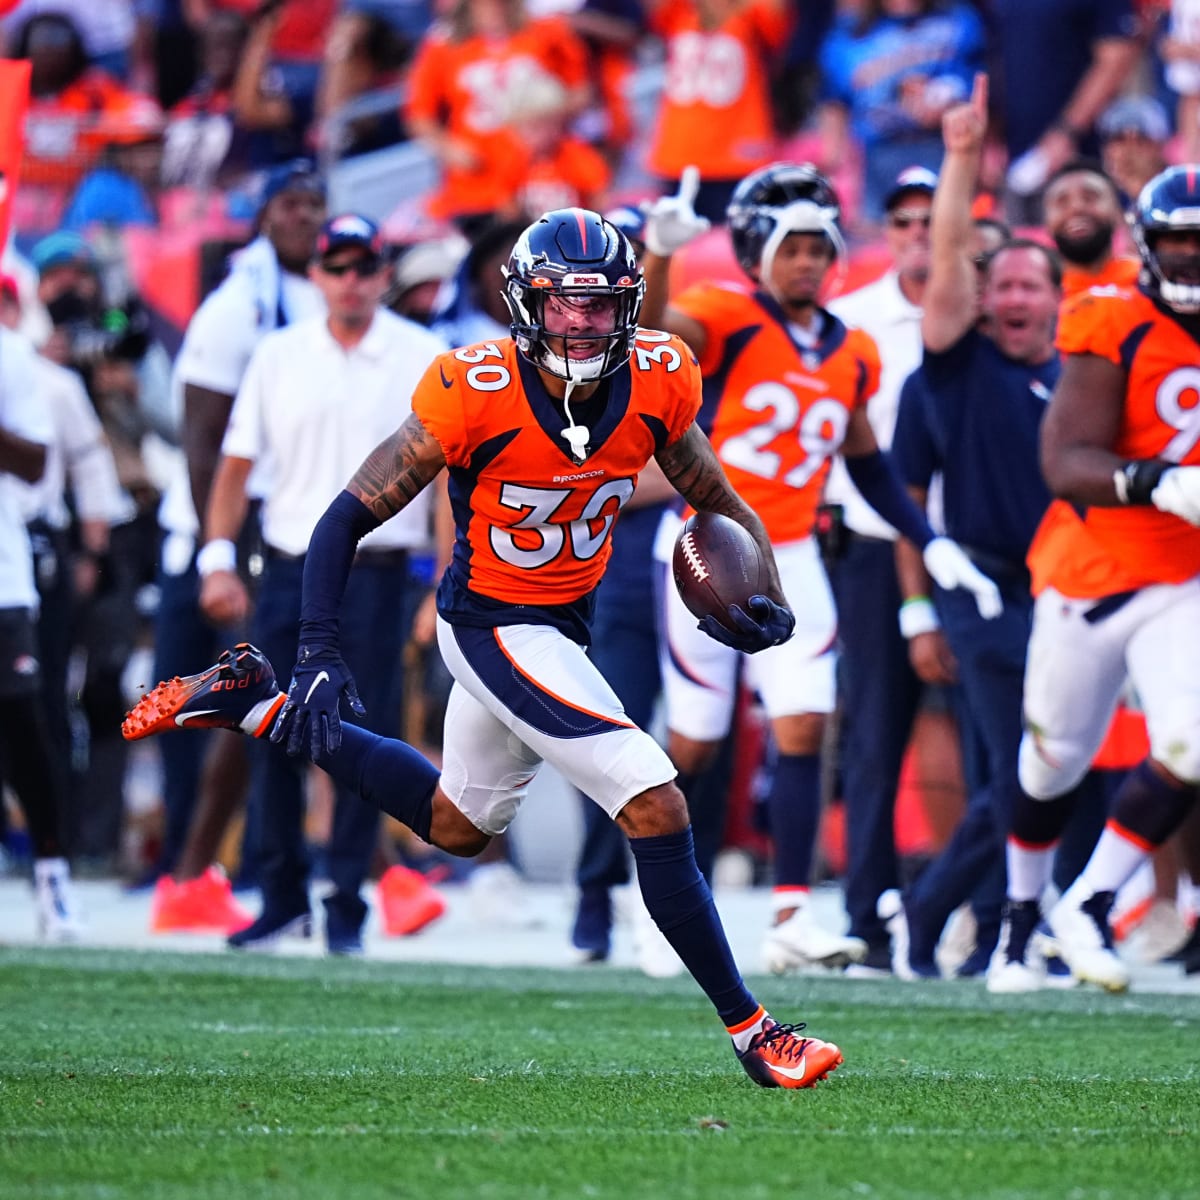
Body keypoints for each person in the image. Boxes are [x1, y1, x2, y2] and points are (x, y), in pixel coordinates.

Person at [125, 206, 846, 1089]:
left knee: (455, 827)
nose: (581, 323)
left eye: (600, 304)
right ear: (524, 302)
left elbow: (721, 501)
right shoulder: (475, 387)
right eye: (562, 303)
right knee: (655, 800)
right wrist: (319, 646)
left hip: (559, 621)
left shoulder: (659, 376)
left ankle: (252, 705)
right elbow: (344, 517)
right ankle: (755, 1033)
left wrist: (761, 588)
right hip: (494, 623)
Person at [638, 161, 1001, 975]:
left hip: (792, 550)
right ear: (758, 249)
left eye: (817, 248)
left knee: (804, 726)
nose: (806, 262)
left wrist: (927, 536)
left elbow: (868, 464)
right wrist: (657, 256)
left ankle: (793, 914)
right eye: (791, 247)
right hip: (708, 541)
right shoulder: (724, 316)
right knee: (694, 742)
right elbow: (651, 348)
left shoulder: (853, 346)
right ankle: (652, 904)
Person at [886, 74, 1102, 985]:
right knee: (1032, 761)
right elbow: (945, 266)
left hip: (1072, 588)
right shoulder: (959, 365)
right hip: (980, 585)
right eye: (997, 280)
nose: (1010, 293)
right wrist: (964, 157)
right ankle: (947, 916)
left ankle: (996, 919)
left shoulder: (1085, 375)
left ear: (1056, 296)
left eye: (1028, 280)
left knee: (1057, 764)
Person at [195, 212, 446, 955]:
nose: (350, 281)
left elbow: (445, 484)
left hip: (378, 568)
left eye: (364, 266)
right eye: (336, 267)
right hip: (289, 563)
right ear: (318, 275)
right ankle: (281, 893)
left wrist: (442, 583)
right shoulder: (279, 354)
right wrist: (215, 553)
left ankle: (345, 895)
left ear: (381, 274)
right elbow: (238, 463)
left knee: (362, 734)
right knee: (268, 725)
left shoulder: (423, 353)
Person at [999, 164, 1200, 992]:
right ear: (1146, 249)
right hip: (1094, 572)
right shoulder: (1112, 317)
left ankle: (1086, 901)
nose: (1188, 259)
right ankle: (1019, 927)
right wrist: (1157, 481)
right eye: (1175, 245)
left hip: (1183, 581)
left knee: (1191, 745)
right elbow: (1064, 460)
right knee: (1052, 763)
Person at [147, 159, 326, 932]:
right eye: (289, 204)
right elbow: (201, 437)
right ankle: (189, 870)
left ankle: (199, 872)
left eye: (314, 205)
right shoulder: (235, 304)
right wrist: (221, 549)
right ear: (263, 214)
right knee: (239, 698)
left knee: (257, 699)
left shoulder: (319, 294)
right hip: (228, 532)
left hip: (279, 523)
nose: (304, 218)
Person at [823, 164, 939, 973]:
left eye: (931, 216)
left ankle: (986, 903)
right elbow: (825, 422)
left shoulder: (985, 307)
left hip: (971, 539)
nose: (918, 231)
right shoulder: (853, 319)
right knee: (874, 731)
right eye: (902, 220)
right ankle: (866, 909)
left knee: (993, 733)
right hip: (869, 543)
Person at [0, 315, 82, 939]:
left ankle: (52, 873)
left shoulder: (11, 354)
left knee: (24, 723)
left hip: (4, 574)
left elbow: (35, 462)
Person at [992, 0, 1140, 219]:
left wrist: (1067, 131)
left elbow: (1116, 57)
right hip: (1012, 155)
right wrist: (991, 138)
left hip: (1083, 154)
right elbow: (991, 51)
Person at [1040, 159, 1139, 298]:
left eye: (1090, 197)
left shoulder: (1150, 284)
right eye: (1062, 202)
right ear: (1047, 222)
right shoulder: (1043, 300)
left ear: (1117, 214)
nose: (1076, 208)